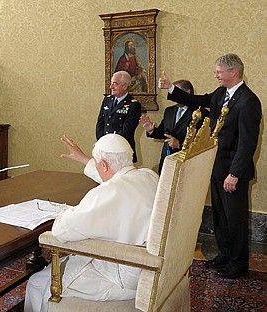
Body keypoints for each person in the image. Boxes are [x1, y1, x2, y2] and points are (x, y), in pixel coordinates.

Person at [24, 134, 159, 312]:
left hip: (117, 277)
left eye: (97, 163)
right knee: (41, 279)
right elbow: (116, 176)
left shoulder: (106, 194)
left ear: (103, 165)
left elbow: (61, 231)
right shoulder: (149, 176)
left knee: (36, 284)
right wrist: (84, 159)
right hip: (143, 269)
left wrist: (68, 212)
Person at [158, 53, 262, 279]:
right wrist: (171, 89)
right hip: (215, 166)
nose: (215, 75)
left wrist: (234, 174)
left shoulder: (248, 101)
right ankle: (224, 255)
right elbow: (199, 101)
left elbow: (247, 143)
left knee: (235, 218)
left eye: (219, 72)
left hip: (233, 171)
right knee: (220, 216)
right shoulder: (221, 94)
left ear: (233, 72)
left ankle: (238, 264)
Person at [140, 80, 209, 173]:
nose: (172, 96)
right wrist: (151, 130)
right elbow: (164, 133)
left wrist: (179, 144)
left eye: (175, 92)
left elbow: (202, 142)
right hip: (167, 159)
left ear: (187, 93)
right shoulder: (169, 111)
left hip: (186, 161)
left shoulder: (200, 113)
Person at [96, 71, 141, 163]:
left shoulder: (133, 105)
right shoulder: (107, 100)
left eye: (115, 84)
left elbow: (127, 130)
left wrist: (112, 145)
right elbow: (100, 123)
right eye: (111, 83)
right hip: (104, 149)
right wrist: (102, 143)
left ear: (125, 86)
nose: (111, 87)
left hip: (121, 150)